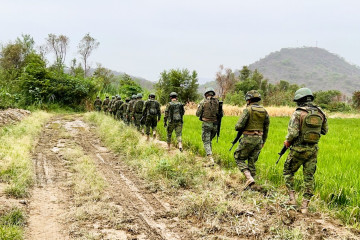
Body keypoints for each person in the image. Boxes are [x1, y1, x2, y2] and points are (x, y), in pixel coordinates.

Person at [283, 88, 328, 214]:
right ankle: (305, 206)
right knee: (309, 177)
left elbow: (293, 133)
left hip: (298, 149)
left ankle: (292, 199)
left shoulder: (298, 113)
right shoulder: (320, 112)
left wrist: (287, 142)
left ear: (300, 100)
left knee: (288, 171)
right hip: (313, 150)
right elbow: (325, 131)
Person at [233, 90, 270, 189]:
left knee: (238, 157)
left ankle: (249, 178)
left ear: (248, 100)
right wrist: (263, 141)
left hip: (248, 139)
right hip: (259, 140)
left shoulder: (248, 110)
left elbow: (238, 126)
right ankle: (253, 185)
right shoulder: (264, 111)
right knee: (252, 161)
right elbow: (266, 128)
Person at [196, 88, 223, 166]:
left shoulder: (203, 102)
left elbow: (197, 114)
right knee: (209, 141)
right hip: (215, 125)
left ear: (206, 94)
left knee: (206, 141)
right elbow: (221, 114)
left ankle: (211, 160)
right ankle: (210, 157)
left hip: (207, 124)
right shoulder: (218, 102)